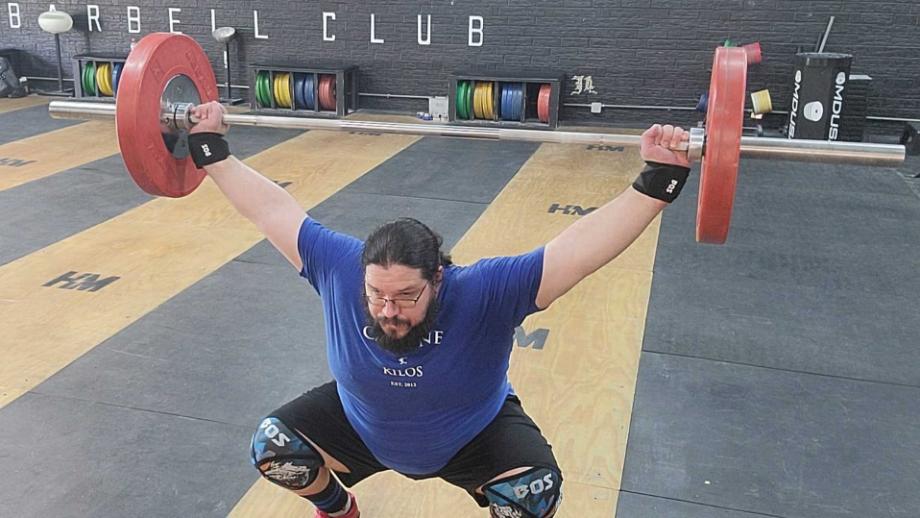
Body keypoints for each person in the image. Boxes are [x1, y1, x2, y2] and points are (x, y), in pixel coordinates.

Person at [185, 102, 691, 518]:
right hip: (362, 427)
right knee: (273, 449)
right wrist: (210, 150)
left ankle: (484, 493)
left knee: (533, 495)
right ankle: (339, 510)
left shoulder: (484, 291)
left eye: (406, 297)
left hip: (472, 434)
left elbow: (578, 251)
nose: (388, 310)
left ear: (438, 278)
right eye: (376, 295)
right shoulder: (337, 266)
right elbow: (271, 209)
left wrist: (658, 181)